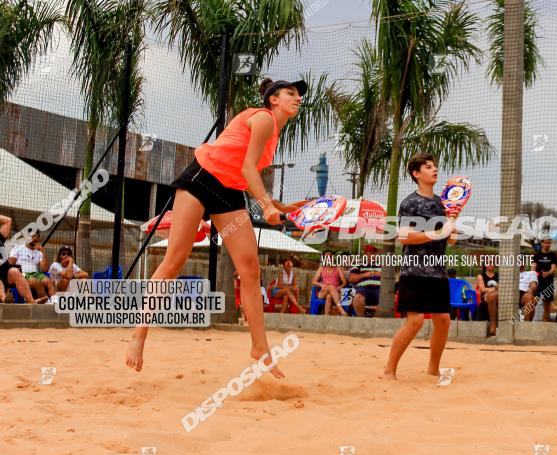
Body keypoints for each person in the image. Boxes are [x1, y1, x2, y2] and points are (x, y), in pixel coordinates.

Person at [126, 77, 309, 378]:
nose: (297, 98)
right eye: (290, 93)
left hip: (229, 192)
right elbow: (249, 167)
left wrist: (275, 203)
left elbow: (244, 171)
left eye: (298, 95)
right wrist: (265, 206)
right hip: (202, 179)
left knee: (250, 268)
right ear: (273, 99)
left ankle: (259, 346)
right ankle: (139, 335)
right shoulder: (263, 118)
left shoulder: (275, 132)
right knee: (174, 261)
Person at [384, 153, 461, 380]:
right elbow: (405, 237)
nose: (434, 169)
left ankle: (433, 368)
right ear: (416, 174)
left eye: (435, 166)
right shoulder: (409, 203)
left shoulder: (442, 203)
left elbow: (452, 240)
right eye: (428, 167)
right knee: (415, 321)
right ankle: (389, 370)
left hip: (437, 271)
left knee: (443, 320)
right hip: (413, 270)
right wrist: (435, 232)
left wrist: (452, 223)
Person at [0, 215, 46, 303]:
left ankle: (31, 301)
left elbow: (8, 220)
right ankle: (4, 299)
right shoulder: (19, 248)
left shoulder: (0, 237)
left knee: (15, 271)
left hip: (4, 271)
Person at [9, 231, 55, 300]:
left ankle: (55, 302)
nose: (33, 238)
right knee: (35, 281)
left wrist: (43, 252)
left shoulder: (39, 252)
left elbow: (44, 269)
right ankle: (48, 302)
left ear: (38, 238)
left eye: (35, 236)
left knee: (50, 281)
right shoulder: (17, 248)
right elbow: (11, 264)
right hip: (22, 273)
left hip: (35, 274)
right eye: (31, 236)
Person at [312, 250, 347, 315]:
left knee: (329, 296)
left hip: (336, 292)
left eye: (330, 256)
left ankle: (326, 316)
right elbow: (313, 281)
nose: (329, 258)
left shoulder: (338, 268)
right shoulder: (321, 268)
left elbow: (344, 283)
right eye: (326, 256)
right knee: (330, 288)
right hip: (323, 292)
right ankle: (341, 310)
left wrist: (337, 289)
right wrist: (321, 285)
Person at [349, 245, 381, 317]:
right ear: (365, 254)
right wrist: (365, 274)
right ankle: (362, 320)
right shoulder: (358, 265)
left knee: (386, 300)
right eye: (369, 252)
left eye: (374, 252)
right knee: (358, 298)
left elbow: (387, 278)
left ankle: (375, 321)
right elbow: (351, 278)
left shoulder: (383, 266)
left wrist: (379, 274)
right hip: (363, 288)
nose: (372, 254)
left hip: (379, 288)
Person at [534, 238, 557, 321]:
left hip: (548, 283)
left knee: (547, 306)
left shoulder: (553, 255)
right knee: (533, 302)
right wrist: (533, 279)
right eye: (546, 243)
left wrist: (547, 273)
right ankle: (530, 322)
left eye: (549, 243)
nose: (548, 244)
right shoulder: (537, 255)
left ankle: (545, 324)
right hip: (538, 283)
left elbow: (554, 268)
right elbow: (533, 268)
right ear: (542, 243)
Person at [475, 262, 499, 336]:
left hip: (497, 296)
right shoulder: (481, 276)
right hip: (485, 297)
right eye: (489, 262)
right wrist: (495, 288)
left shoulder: (499, 275)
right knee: (490, 296)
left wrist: (490, 290)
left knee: (493, 296)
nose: (491, 264)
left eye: (493, 262)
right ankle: (493, 325)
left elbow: (502, 287)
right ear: (485, 265)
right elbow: (482, 289)